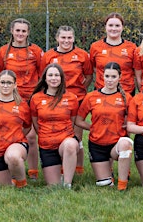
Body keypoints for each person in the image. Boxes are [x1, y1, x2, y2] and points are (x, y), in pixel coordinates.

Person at [41, 25, 93, 175]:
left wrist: (78, 89)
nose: (66, 40)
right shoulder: (48, 56)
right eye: (63, 37)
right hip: (55, 100)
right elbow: (44, 77)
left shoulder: (82, 55)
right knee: (58, 134)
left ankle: (78, 168)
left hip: (77, 100)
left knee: (76, 136)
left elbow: (89, 76)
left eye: (69, 37)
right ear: (57, 38)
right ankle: (60, 166)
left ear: (73, 38)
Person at [75, 62, 133, 191]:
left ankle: (122, 184)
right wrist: (94, 128)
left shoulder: (126, 98)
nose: (110, 80)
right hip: (97, 145)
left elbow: (132, 120)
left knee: (126, 143)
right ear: (102, 76)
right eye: (107, 76)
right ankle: (108, 172)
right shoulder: (91, 97)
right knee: (104, 185)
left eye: (113, 77)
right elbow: (79, 120)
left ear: (120, 77)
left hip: (116, 144)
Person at [0, 18, 44, 181]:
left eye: (23, 31)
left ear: (28, 33)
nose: (20, 34)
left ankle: (33, 172)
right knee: (9, 133)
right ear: (12, 31)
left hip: (30, 98)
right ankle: (11, 167)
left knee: (31, 136)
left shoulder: (35, 51)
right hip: (11, 99)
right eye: (17, 30)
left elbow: (41, 74)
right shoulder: (4, 51)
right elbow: (1, 75)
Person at [30, 63, 80, 188]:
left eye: (57, 75)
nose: (54, 78)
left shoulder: (71, 98)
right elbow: (36, 123)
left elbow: (72, 121)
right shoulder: (36, 98)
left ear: (62, 78)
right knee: (53, 186)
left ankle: (68, 184)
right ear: (45, 79)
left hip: (65, 141)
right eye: (50, 75)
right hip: (47, 145)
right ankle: (60, 174)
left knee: (70, 145)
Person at [0, 70, 32, 187]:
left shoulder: (22, 104)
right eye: (2, 82)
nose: (5, 85)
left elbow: (27, 126)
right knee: (2, 187)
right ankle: (11, 178)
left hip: (16, 145)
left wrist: (15, 136)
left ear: (15, 85)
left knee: (13, 156)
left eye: (9, 83)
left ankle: (22, 184)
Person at [90, 13, 137, 96]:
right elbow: (94, 68)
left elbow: (136, 71)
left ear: (122, 27)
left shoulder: (131, 47)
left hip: (126, 93)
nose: (114, 28)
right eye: (110, 25)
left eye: (117, 25)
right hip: (101, 92)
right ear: (105, 27)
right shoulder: (95, 47)